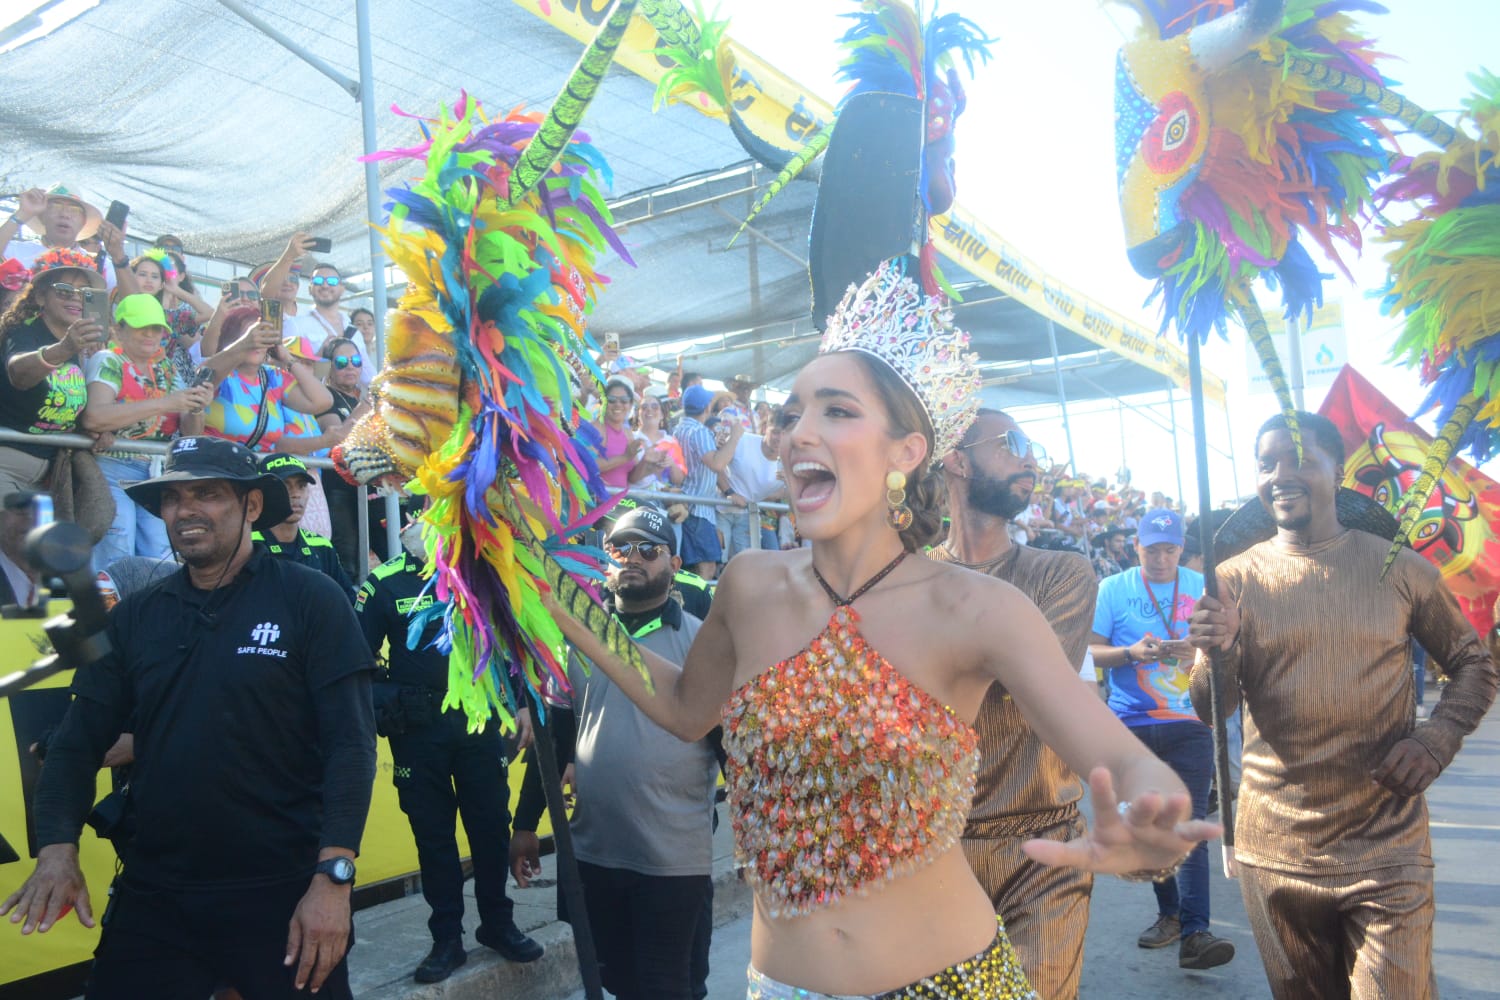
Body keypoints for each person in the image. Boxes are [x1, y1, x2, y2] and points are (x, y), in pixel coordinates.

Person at [545, 261, 1219, 998]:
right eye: (792, 412)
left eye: (836, 411)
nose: (799, 431)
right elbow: (683, 708)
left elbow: (1119, 756)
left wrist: (1151, 809)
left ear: (906, 453)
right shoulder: (748, 583)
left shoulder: (973, 608)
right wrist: (553, 595)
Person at [0, 436, 378, 998]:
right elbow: (77, 745)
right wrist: (58, 849)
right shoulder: (133, 616)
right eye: (173, 498)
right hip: (156, 895)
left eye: (208, 494)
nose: (186, 510)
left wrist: (333, 879)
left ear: (252, 506)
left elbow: (352, 745)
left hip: (281, 890)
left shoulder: (312, 598)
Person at [1187, 412, 1499, 999]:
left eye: (1299, 459)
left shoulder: (1400, 568)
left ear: (1339, 470)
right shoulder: (1231, 579)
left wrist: (1436, 740)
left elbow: (1474, 665)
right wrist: (1217, 651)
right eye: (1265, 463)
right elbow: (1211, 709)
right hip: (1274, 850)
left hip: (1388, 843)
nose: (1280, 474)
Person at [511, 505, 719, 1000]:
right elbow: (554, 733)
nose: (634, 558)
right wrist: (523, 825)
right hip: (594, 855)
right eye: (620, 548)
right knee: (612, 984)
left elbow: (730, 745)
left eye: (649, 549)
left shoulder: (702, 643)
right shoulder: (576, 639)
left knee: (672, 988)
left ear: (675, 561)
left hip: (673, 862)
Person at [930, 408, 1099, 999]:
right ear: (955, 458)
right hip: (932, 857)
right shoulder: (909, 579)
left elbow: (1031, 684)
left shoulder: (1064, 573)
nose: (1030, 459)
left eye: (1032, 446)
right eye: (1012, 443)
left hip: (1044, 849)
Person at [356, 521, 543, 982]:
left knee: (491, 828)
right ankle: (447, 939)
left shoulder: (482, 573)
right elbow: (356, 658)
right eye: (423, 518)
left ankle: (498, 925)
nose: (432, 527)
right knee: (433, 835)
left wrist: (520, 703)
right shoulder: (385, 582)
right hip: (417, 731)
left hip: (479, 724)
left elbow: (507, 641)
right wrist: (389, 700)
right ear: (408, 525)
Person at [1089, 508, 1236, 969]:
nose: (1160, 558)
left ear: (1181, 550)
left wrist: (1200, 651)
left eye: (1169, 549)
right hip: (1129, 725)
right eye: (1152, 549)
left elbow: (1232, 647)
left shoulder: (1202, 587)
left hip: (1189, 722)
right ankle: (1169, 914)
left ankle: (1197, 933)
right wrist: (1129, 653)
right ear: (1137, 547)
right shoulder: (1113, 588)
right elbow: (1088, 650)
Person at [81, 293, 213, 569]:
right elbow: (94, 417)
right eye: (142, 327)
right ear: (119, 329)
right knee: (117, 550)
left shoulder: (167, 369)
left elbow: (190, 435)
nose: (150, 334)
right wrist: (165, 403)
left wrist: (198, 407)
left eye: (156, 328)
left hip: (157, 473)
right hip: (113, 467)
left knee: (159, 555)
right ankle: (111, 613)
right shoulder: (109, 360)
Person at [0, 247, 108, 498]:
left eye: (84, 293)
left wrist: (94, 429)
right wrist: (63, 349)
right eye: (64, 290)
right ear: (40, 297)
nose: (75, 298)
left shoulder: (83, 346)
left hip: (49, 474)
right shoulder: (23, 331)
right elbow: (19, 374)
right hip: (5, 463)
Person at [203, 306, 333, 453]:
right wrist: (245, 344)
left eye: (262, 336)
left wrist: (288, 358)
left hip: (259, 471)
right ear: (231, 340)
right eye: (248, 335)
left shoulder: (273, 377)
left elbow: (323, 401)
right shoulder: (222, 372)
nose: (256, 342)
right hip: (218, 467)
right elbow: (203, 375)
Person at [253, 453, 355, 599]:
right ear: (262, 493)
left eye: (301, 486)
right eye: (285, 485)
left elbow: (347, 601)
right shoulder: (248, 546)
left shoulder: (322, 546)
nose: (296, 494)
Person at [672, 383, 738, 579]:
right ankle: (699, 610)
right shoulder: (699, 431)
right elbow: (716, 464)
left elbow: (711, 470)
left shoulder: (680, 429)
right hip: (698, 510)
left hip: (690, 508)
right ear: (707, 407)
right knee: (705, 569)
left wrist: (729, 492)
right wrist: (735, 437)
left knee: (694, 570)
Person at [317, 337, 371, 576]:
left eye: (356, 360)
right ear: (329, 366)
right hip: (337, 488)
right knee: (345, 563)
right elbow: (338, 440)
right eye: (341, 361)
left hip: (367, 489)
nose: (350, 366)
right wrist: (365, 408)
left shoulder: (359, 399)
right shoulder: (323, 397)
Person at [717, 413, 786, 560]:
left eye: (784, 434)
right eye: (775, 432)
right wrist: (730, 492)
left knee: (746, 563)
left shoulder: (787, 462)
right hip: (720, 509)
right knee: (717, 560)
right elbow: (717, 466)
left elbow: (782, 492)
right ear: (766, 428)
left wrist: (752, 499)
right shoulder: (743, 441)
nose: (779, 438)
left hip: (748, 515)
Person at [595, 375, 643, 490]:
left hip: (624, 502)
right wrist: (624, 458)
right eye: (611, 400)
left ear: (630, 404)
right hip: (599, 501)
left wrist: (649, 464)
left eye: (624, 400)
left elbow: (632, 477)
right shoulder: (595, 428)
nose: (618, 404)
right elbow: (588, 465)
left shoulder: (627, 433)